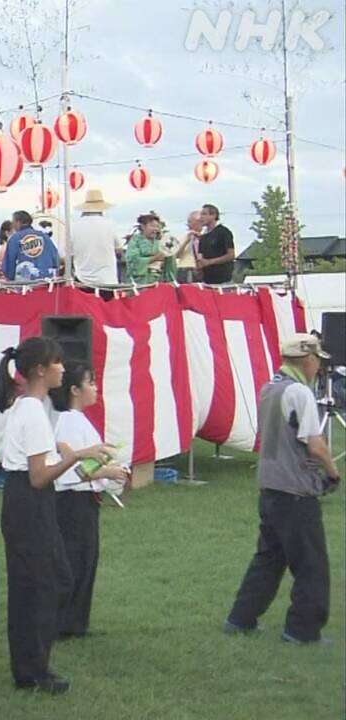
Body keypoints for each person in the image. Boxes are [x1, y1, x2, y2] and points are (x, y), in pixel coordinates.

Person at [0, 337, 114, 694]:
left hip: (27, 500)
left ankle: (32, 665)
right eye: (57, 363)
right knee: (42, 584)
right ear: (39, 371)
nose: (63, 368)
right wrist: (78, 456)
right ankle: (33, 669)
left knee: (47, 580)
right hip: (29, 501)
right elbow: (38, 476)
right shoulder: (30, 410)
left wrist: (66, 453)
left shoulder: (31, 406)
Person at [225, 333, 341, 645]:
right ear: (308, 360)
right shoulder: (300, 393)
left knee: (269, 557)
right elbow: (315, 444)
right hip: (295, 489)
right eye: (318, 361)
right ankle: (302, 631)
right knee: (311, 563)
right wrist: (333, 473)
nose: (319, 367)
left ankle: (241, 618)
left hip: (270, 485)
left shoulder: (269, 387)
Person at [49, 362, 130, 640]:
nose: (95, 389)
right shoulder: (69, 421)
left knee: (85, 560)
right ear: (74, 389)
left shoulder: (77, 419)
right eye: (90, 383)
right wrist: (107, 470)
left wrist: (107, 465)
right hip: (73, 501)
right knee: (75, 560)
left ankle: (75, 622)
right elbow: (76, 469)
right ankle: (64, 622)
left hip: (83, 499)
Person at [68, 190, 121, 285]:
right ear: (102, 209)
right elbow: (119, 249)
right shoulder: (110, 224)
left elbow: (68, 255)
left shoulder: (73, 227)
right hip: (108, 280)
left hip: (82, 280)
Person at [2, 211, 62, 282]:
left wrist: (10, 278)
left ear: (18, 222)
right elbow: (56, 260)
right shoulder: (44, 236)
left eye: (13, 222)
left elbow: (9, 267)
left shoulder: (14, 239)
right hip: (47, 283)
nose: (12, 225)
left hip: (25, 285)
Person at [124, 213, 175, 284]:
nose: (155, 229)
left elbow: (170, 260)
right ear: (143, 226)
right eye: (152, 226)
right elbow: (133, 260)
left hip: (160, 279)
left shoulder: (161, 241)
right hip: (140, 279)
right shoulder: (135, 240)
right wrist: (154, 258)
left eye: (157, 226)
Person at [196, 203, 235, 284]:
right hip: (207, 281)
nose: (201, 217)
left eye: (204, 214)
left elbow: (231, 255)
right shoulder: (203, 237)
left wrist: (210, 262)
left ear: (213, 215)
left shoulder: (223, 232)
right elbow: (201, 257)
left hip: (223, 280)